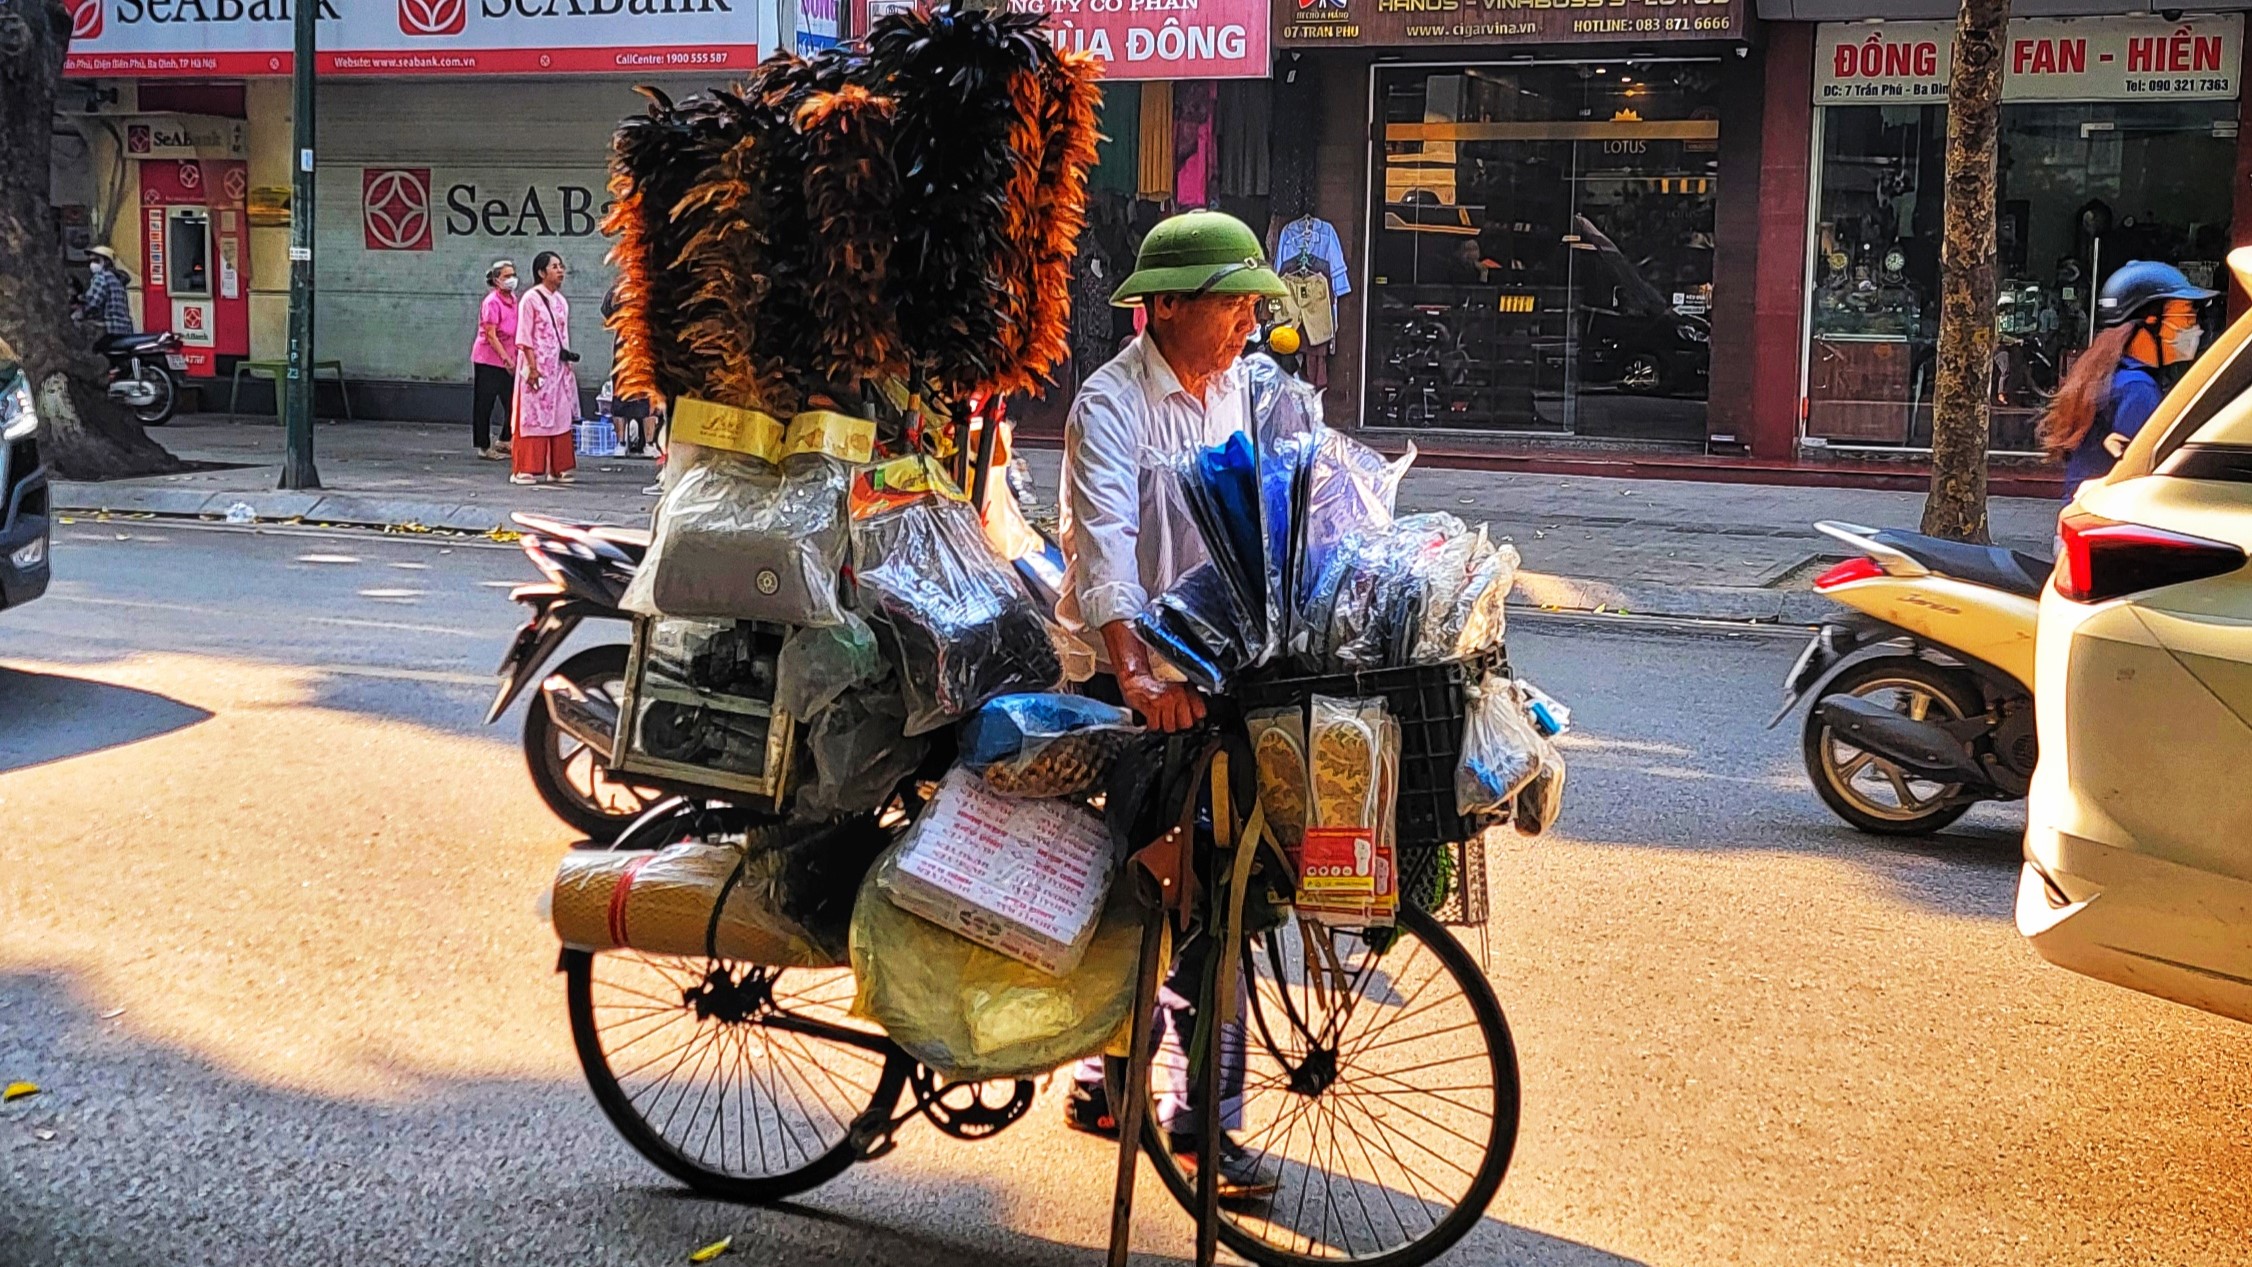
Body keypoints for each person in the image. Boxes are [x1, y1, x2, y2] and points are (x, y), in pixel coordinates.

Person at [1054, 209, 1289, 1200]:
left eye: (1249, 303)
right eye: (1231, 302)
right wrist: (1139, 672)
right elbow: (1099, 544)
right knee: (1176, 891)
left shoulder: (1243, 387)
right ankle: (1194, 1124)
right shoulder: (1107, 406)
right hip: (1128, 677)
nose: (1246, 320)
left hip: (1215, 670)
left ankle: (1111, 1082)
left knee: (1215, 892)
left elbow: (1281, 503)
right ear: (1168, 307)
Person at [2039, 260, 2215, 499]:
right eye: (2186, 317)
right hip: (2110, 520)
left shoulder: (2112, 376)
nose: (2196, 328)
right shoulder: (2138, 389)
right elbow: (2138, 475)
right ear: (2151, 321)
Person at [511, 251, 579, 486]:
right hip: (536, 368)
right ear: (541, 273)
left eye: (561, 266)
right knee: (533, 416)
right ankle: (526, 468)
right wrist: (532, 367)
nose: (560, 271)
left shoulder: (561, 301)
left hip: (558, 369)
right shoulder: (530, 299)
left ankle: (558, 468)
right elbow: (524, 335)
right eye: (554, 267)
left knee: (560, 415)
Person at [472, 260, 519, 461]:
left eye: (512, 275)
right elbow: (491, 335)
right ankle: (483, 446)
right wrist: (505, 358)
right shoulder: (492, 302)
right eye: (506, 276)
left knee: (513, 402)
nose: (511, 280)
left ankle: (504, 440)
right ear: (496, 280)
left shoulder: (514, 299)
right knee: (485, 403)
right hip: (489, 359)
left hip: (510, 356)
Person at [79, 245, 136, 341]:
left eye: (96, 261)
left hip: (111, 329)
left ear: (106, 262)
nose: (92, 264)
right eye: (91, 261)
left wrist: (80, 308)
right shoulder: (117, 279)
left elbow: (92, 303)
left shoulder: (102, 277)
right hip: (124, 329)